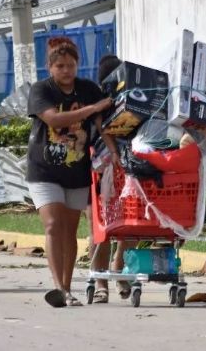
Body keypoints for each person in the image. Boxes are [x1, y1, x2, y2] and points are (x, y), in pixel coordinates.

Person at [27, 37, 117, 307]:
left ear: (78, 65)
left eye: (71, 65)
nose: (66, 71)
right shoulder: (41, 90)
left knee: (69, 230)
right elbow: (54, 119)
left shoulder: (88, 89)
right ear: (50, 68)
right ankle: (58, 288)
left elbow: (102, 125)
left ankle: (67, 288)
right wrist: (92, 109)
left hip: (77, 171)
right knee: (53, 225)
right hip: (43, 170)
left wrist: (114, 153)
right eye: (60, 66)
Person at [88, 54, 132, 304]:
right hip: (104, 168)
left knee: (118, 222)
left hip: (119, 167)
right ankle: (104, 278)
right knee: (107, 225)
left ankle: (111, 273)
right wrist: (114, 152)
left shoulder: (127, 96)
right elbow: (100, 126)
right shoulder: (101, 98)